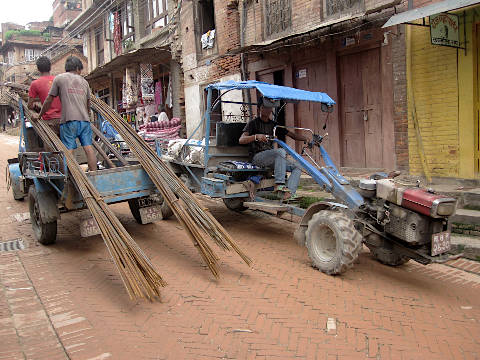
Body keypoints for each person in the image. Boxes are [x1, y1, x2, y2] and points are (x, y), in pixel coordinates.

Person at [239, 98, 307, 199]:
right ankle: (279, 184)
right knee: (280, 151)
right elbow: (241, 140)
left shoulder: (273, 125)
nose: (267, 110)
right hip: (257, 158)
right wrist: (256, 136)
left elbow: (292, 135)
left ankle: (289, 194)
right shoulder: (253, 123)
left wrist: (307, 138)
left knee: (297, 166)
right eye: (264, 107)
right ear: (259, 109)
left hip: (272, 158)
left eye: (269, 107)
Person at [38, 56, 97, 171]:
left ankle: (69, 176)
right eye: (80, 69)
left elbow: (49, 100)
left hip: (69, 120)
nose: (80, 72)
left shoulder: (59, 79)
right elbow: (88, 103)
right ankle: (95, 175)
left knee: (69, 150)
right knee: (88, 148)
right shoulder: (84, 82)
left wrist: (40, 115)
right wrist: (88, 116)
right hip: (84, 121)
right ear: (77, 68)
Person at [28, 56, 62, 134]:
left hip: (49, 121)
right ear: (50, 67)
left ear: (38, 69)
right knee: (67, 145)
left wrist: (37, 108)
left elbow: (29, 105)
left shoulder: (35, 84)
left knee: (50, 145)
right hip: (64, 119)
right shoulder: (59, 80)